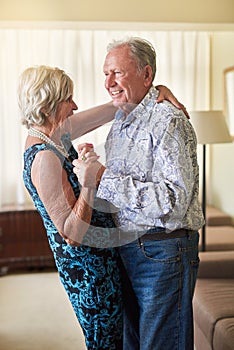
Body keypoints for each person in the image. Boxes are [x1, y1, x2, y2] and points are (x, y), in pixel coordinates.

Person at [18, 65, 185, 350]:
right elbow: (71, 233)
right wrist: (89, 180)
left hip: (101, 259)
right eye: (68, 99)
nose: (75, 106)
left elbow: (112, 108)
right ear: (48, 105)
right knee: (105, 342)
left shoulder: (55, 133)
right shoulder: (44, 156)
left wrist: (154, 91)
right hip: (89, 273)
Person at [74, 37, 204, 350]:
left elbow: (174, 203)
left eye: (117, 72)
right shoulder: (120, 119)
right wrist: (94, 169)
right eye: (105, 74)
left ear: (146, 75)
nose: (108, 82)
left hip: (163, 250)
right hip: (128, 248)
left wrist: (103, 178)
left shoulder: (169, 121)